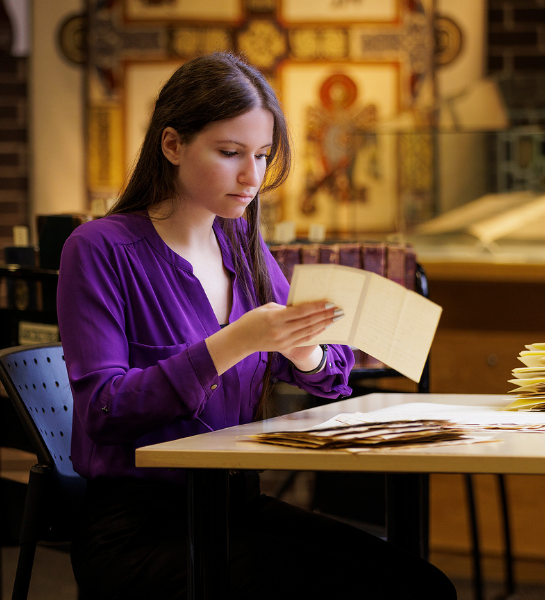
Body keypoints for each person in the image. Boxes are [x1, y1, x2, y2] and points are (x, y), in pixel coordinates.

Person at [57, 51, 456, 600]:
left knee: (423, 585)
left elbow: (330, 374)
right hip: (139, 531)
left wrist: (305, 352)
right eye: (230, 153)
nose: (252, 176)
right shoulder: (100, 249)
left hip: (233, 506)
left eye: (263, 155)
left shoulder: (242, 245)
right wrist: (236, 341)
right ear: (172, 145)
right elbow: (104, 410)